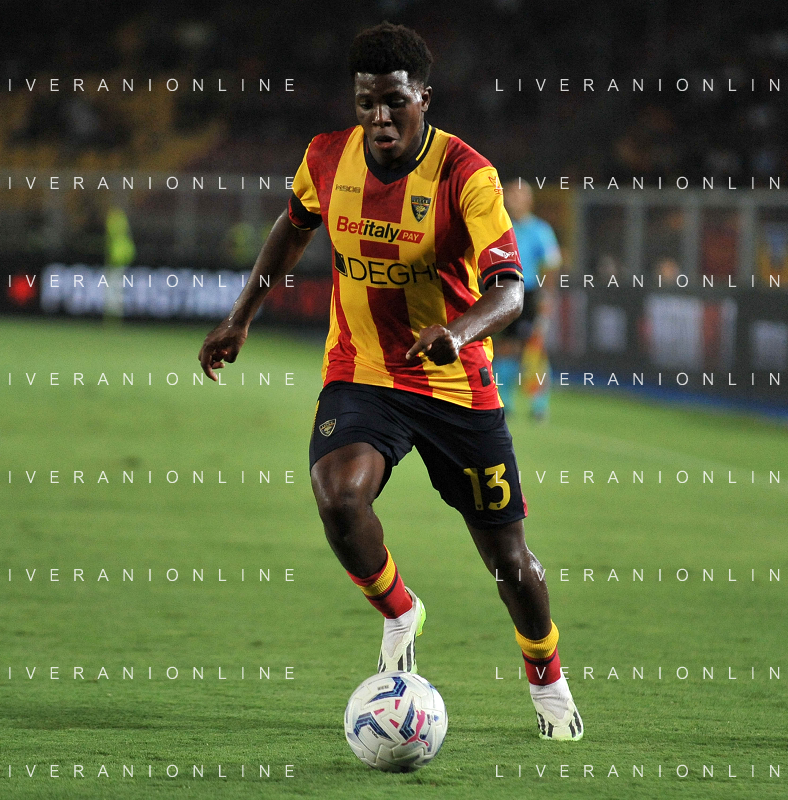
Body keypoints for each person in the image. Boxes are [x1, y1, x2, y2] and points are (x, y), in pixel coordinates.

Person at [197, 22, 582, 741]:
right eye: (366, 102)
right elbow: (293, 226)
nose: (379, 117)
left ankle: (546, 676)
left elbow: (510, 291)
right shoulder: (325, 157)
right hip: (364, 370)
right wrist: (240, 316)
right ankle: (400, 609)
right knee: (339, 498)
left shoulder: (467, 175)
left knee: (508, 559)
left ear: (423, 99)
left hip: (455, 385)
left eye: (394, 102)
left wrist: (456, 333)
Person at [495, 181, 562, 420]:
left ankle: (539, 405)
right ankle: (504, 403)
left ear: (529, 200)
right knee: (505, 348)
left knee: (534, 348)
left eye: (519, 195)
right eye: (511, 194)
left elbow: (551, 266)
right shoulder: (500, 225)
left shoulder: (540, 230)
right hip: (503, 292)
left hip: (530, 294)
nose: (513, 199)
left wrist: (547, 298)